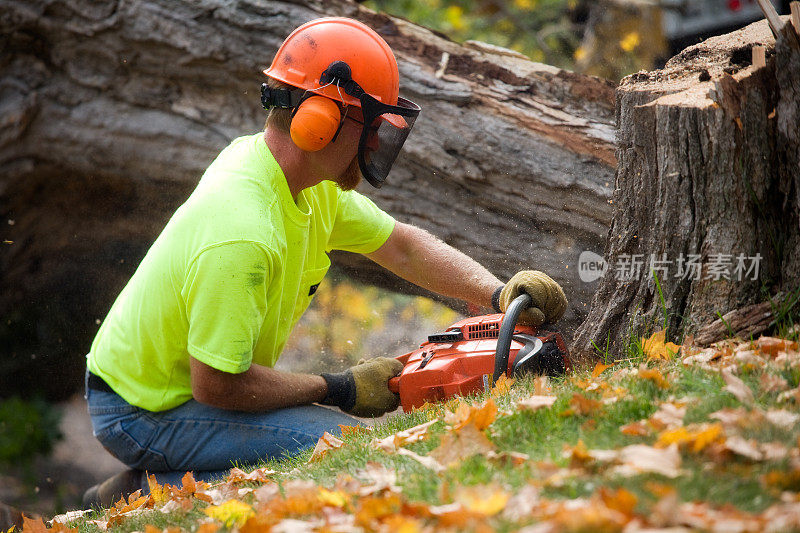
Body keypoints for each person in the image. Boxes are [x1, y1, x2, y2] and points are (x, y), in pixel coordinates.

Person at [82, 17, 568, 507]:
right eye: (371, 125)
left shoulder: (303, 184)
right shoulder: (243, 231)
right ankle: (145, 493)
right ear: (321, 122)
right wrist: (341, 388)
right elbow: (218, 385)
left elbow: (403, 245)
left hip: (187, 386)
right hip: (143, 408)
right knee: (342, 449)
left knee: (337, 442)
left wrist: (498, 294)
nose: (377, 143)